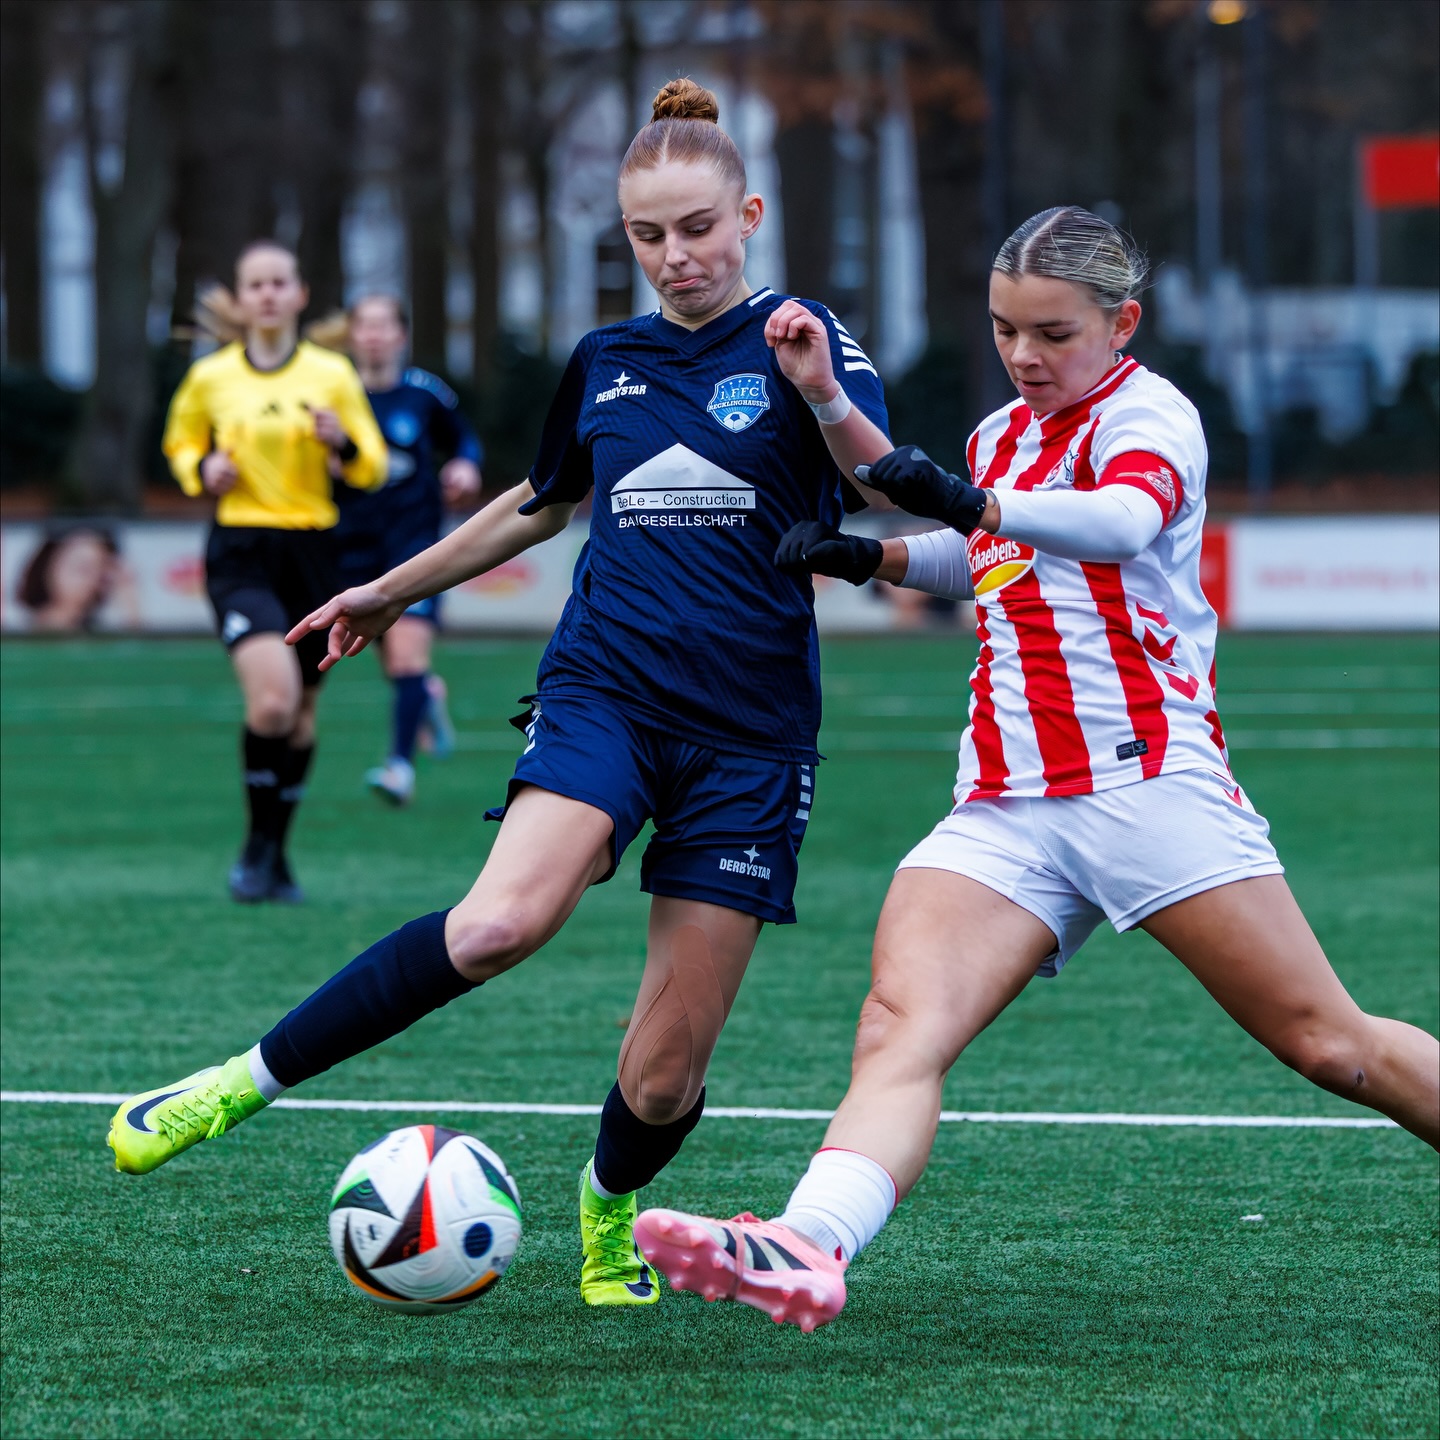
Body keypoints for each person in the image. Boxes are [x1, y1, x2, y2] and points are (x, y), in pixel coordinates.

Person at [108, 79, 894, 1309]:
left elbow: (885, 491)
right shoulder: (607, 361)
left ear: (746, 215)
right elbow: (538, 504)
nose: (675, 256)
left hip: (752, 735)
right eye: (647, 235)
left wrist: (822, 394)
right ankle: (236, 1082)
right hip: (607, 691)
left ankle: (607, 1205)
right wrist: (386, 590)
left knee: (665, 1080)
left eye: (697, 228)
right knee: (496, 925)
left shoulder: (806, 342)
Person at [631, 205, 1440, 1332]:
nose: (1024, 354)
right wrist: (875, 555)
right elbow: (993, 553)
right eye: (1007, 328)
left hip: (1146, 785)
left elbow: (1112, 523)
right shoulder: (1003, 432)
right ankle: (805, 1245)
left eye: (1054, 333)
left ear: (1123, 324)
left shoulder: (1152, 417)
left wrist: (973, 503)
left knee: (1330, 1044)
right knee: (897, 1024)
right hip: (1006, 804)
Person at [161, 241, 388, 902]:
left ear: (298, 294)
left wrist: (340, 444)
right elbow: (181, 442)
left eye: (277, 282)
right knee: (273, 700)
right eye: (254, 284)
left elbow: (371, 462)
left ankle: (274, 855)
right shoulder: (212, 378)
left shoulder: (331, 375)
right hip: (241, 551)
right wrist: (201, 470)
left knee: (302, 714)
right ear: (239, 298)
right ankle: (257, 847)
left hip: (315, 551)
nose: (266, 294)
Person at [325, 295, 483, 805]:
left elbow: (465, 441)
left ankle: (398, 769)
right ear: (352, 336)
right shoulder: (334, 395)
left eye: (382, 325)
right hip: (351, 546)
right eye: (363, 326)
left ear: (399, 335)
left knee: (408, 651)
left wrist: (465, 466)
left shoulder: (424, 393)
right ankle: (425, 695)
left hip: (415, 545)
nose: (372, 335)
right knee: (388, 656)